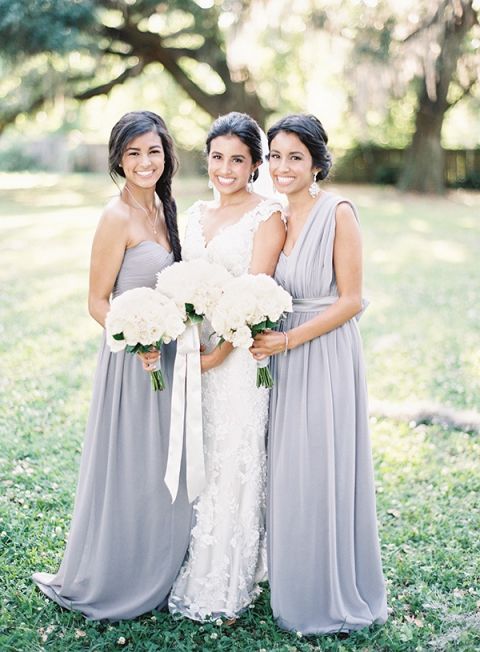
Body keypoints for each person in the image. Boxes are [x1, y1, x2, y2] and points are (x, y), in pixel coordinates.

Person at [32, 111, 192, 620]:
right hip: (131, 362)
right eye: (133, 153)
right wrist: (134, 335)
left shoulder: (167, 210)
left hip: (170, 356)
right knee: (131, 467)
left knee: (169, 468)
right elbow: (97, 302)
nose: (145, 162)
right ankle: (119, 573)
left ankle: (162, 566)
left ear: (166, 155)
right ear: (118, 160)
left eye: (153, 151)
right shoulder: (115, 216)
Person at [250, 114, 388, 635]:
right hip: (283, 354)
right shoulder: (278, 218)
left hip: (324, 351)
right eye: (276, 156)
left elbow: (351, 301)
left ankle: (330, 589)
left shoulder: (339, 213)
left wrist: (288, 338)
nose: (283, 168)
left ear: (316, 164)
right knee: (288, 469)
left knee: (320, 465)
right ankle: (297, 580)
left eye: (295, 158)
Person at [168, 112, 286, 622]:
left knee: (233, 461)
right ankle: (184, 559)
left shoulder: (268, 216)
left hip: (238, 363)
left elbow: (256, 298)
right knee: (199, 455)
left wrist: (220, 352)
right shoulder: (192, 214)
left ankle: (226, 582)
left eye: (238, 159)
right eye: (217, 157)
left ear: (256, 165)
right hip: (194, 354)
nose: (225, 168)